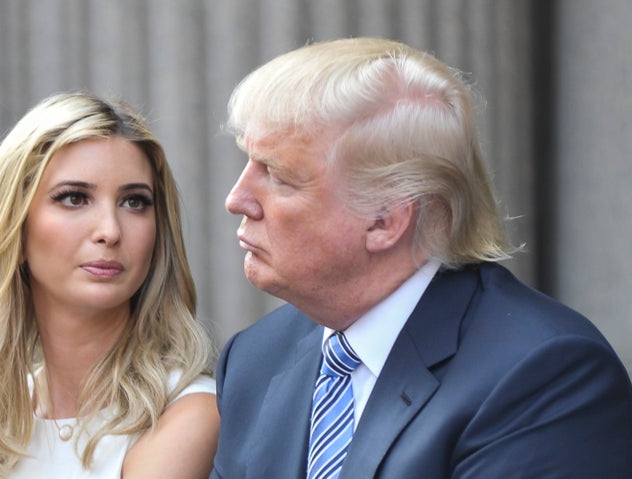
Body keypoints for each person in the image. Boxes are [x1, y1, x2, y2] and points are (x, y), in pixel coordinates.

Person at [212, 37, 632, 478]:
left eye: (277, 175)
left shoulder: (545, 377)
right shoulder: (254, 359)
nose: (237, 199)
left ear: (385, 220)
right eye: (248, 163)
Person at [0, 91, 219, 478]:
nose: (110, 231)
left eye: (135, 202)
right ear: (14, 229)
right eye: (74, 198)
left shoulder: (186, 413)